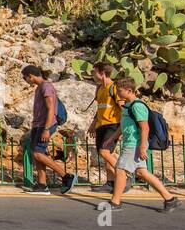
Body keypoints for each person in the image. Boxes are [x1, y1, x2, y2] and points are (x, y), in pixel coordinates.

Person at [107, 79, 181, 212]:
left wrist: (142, 146)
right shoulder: (128, 105)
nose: (117, 93)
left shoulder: (137, 106)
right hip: (132, 143)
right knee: (142, 172)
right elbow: (124, 125)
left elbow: (145, 127)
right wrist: (113, 137)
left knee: (120, 170)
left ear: (129, 91)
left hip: (134, 144)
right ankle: (170, 199)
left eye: (120, 90)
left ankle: (115, 202)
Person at [21, 65, 76, 194]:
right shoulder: (39, 88)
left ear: (31, 76)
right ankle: (42, 184)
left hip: (46, 125)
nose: (25, 81)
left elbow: (51, 108)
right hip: (38, 125)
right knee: (38, 155)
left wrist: (46, 128)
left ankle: (66, 176)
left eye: (25, 78)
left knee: (38, 153)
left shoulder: (46, 87)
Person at [86, 62, 125, 193]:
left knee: (105, 152)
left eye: (94, 71)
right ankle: (110, 182)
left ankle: (124, 174)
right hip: (101, 124)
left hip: (113, 124)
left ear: (102, 73)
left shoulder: (114, 88)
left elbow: (122, 106)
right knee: (107, 154)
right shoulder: (100, 88)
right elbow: (100, 107)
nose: (92, 74)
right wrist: (93, 124)